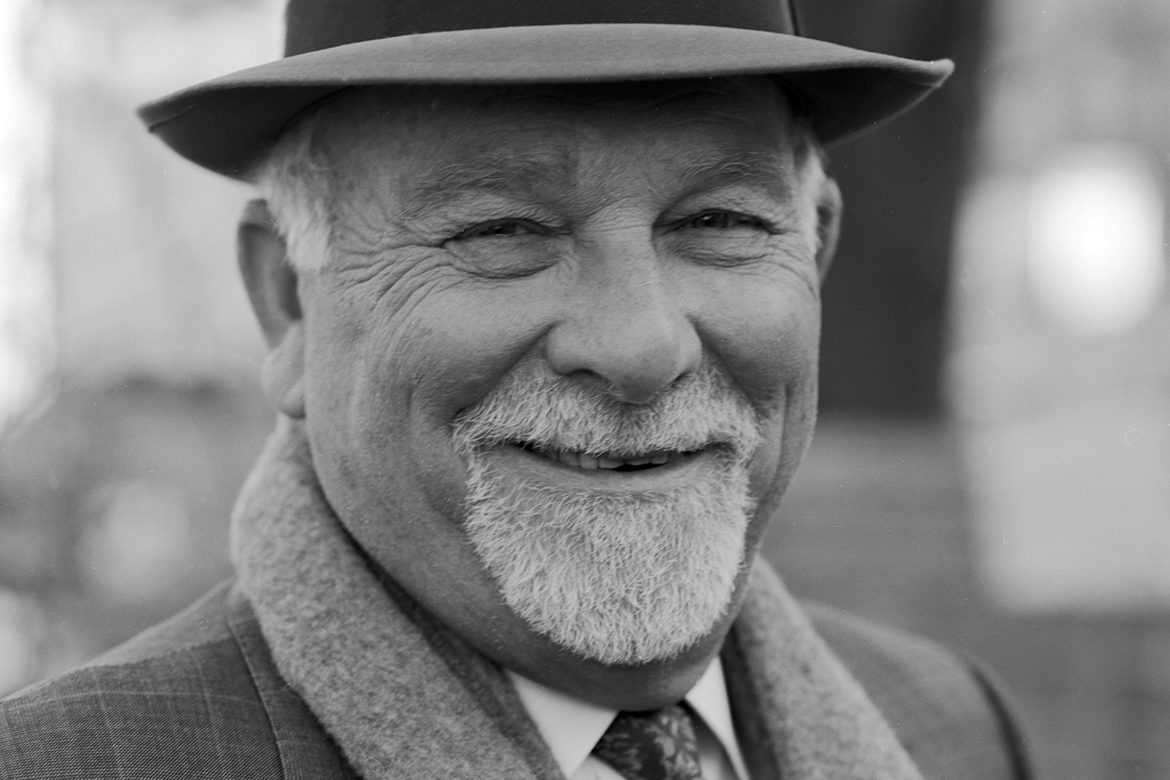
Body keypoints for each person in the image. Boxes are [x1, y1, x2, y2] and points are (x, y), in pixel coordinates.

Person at [0, 1, 1034, 778]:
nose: (640, 347)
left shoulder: (950, 730)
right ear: (287, 302)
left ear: (816, 250)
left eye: (720, 224)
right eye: (501, 231)